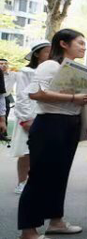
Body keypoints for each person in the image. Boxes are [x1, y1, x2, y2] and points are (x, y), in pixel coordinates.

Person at [16, 29, 87, 239]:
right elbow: (35, 93)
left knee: (60, 175)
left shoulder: (74, 68)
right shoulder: (50, 65)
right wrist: (74, 97)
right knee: (40, 177)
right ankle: (28, 232)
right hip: (50, 123)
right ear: (63, 43)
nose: (83, 47)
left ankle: (56, 221)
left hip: (69, 123)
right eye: (80, 42)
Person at [9, 41, 51, 195]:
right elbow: (21, 96)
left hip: (46, 115)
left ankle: (37, 182)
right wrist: (25, 119)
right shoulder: (26, 72)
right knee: (26, 152)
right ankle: (21, 182)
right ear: (37, 54)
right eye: (47, 51)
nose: (50, 55)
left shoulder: (53, 71)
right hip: (28, 116)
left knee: (43, 153)